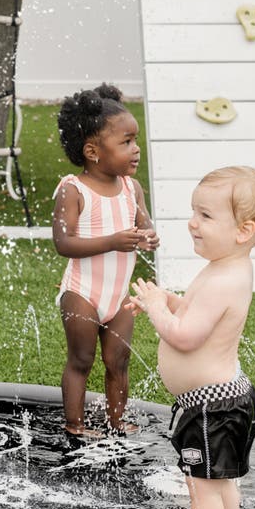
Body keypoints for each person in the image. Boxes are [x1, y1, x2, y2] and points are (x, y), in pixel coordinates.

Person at [127, 165, 255, 509]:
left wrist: (159, 310)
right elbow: (196, 314)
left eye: (205, 215)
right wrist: (169, 301)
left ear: (243, 230)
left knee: (202, 492)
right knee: (222, 484)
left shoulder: (224, 276)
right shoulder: (225, 269)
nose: (192, 223)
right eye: (194, 212)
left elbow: (186, 336)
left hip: (210, 407)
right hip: (223, 399)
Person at [52, 84, 158, 437]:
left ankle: (116, 422)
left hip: (118, 297)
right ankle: (75, 425)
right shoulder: (74, 189)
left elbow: (144, 225)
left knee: (119, 362)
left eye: (135, 140)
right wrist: (114, 240)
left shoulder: (132, 188)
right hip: (82, 292)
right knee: (81, 360)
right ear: (93, 151)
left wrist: (149, 237)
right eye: (126, 142)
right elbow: (64, 243)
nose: (136, 149)